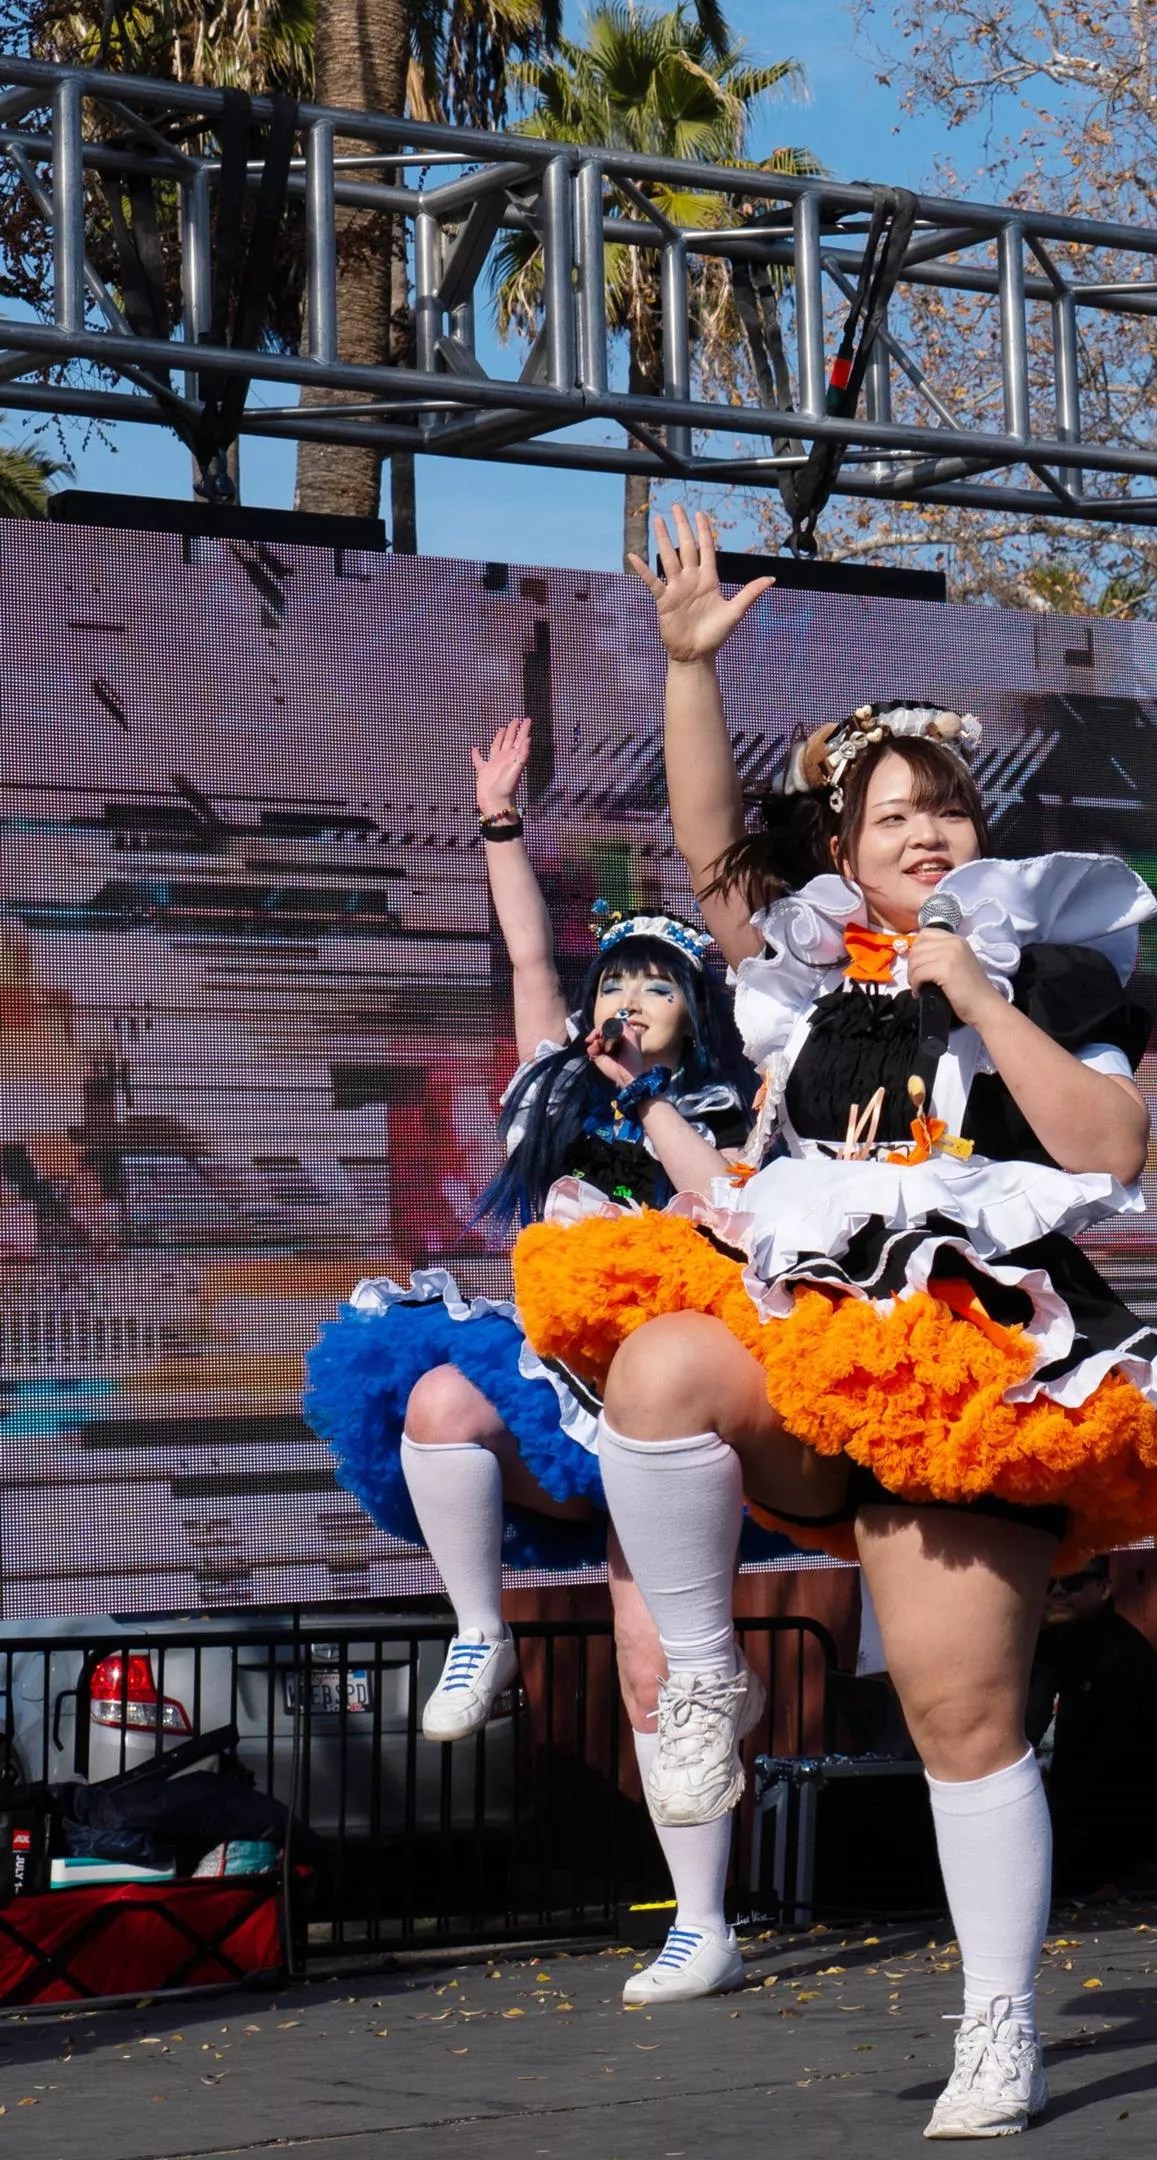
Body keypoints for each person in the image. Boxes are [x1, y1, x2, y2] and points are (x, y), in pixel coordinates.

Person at [511, 510, 1157, 2139]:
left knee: (956, 1709)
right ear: (843, 850)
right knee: (655, 1360)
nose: (922, 830)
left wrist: (975, 987)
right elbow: (714, 858)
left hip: (965, 1363)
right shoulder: (800, 973)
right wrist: (691, 667)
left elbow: (1110, 1152)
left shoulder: (1046, 961)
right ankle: (705, 1685)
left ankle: (999, 2022)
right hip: (811, 1338)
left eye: (944, 806)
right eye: (890, 813)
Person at [298, 716, 768, 2008]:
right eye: (615, 981)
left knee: (650, 1658)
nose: (624, 1002)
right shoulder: (553, 1085)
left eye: (654, 984)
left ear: (698, 1013)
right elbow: (524, 954)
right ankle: (478, 1635)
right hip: (555, 1390)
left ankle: (703, 1919)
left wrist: (644, 1100)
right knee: (441, 1396)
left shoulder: (720, 1114)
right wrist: (501, 821)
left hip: (666, 1409)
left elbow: (716, 1201)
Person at [1024, 1560, 1157, 1896]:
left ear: (1102, 1588)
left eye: (1072, 1582)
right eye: (1047, 1583)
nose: (1057, 1592)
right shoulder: (1039, 1648)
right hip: (1064, 1824)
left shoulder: (1123, 1654)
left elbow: (1114, 1764)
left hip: (1121, 1828)